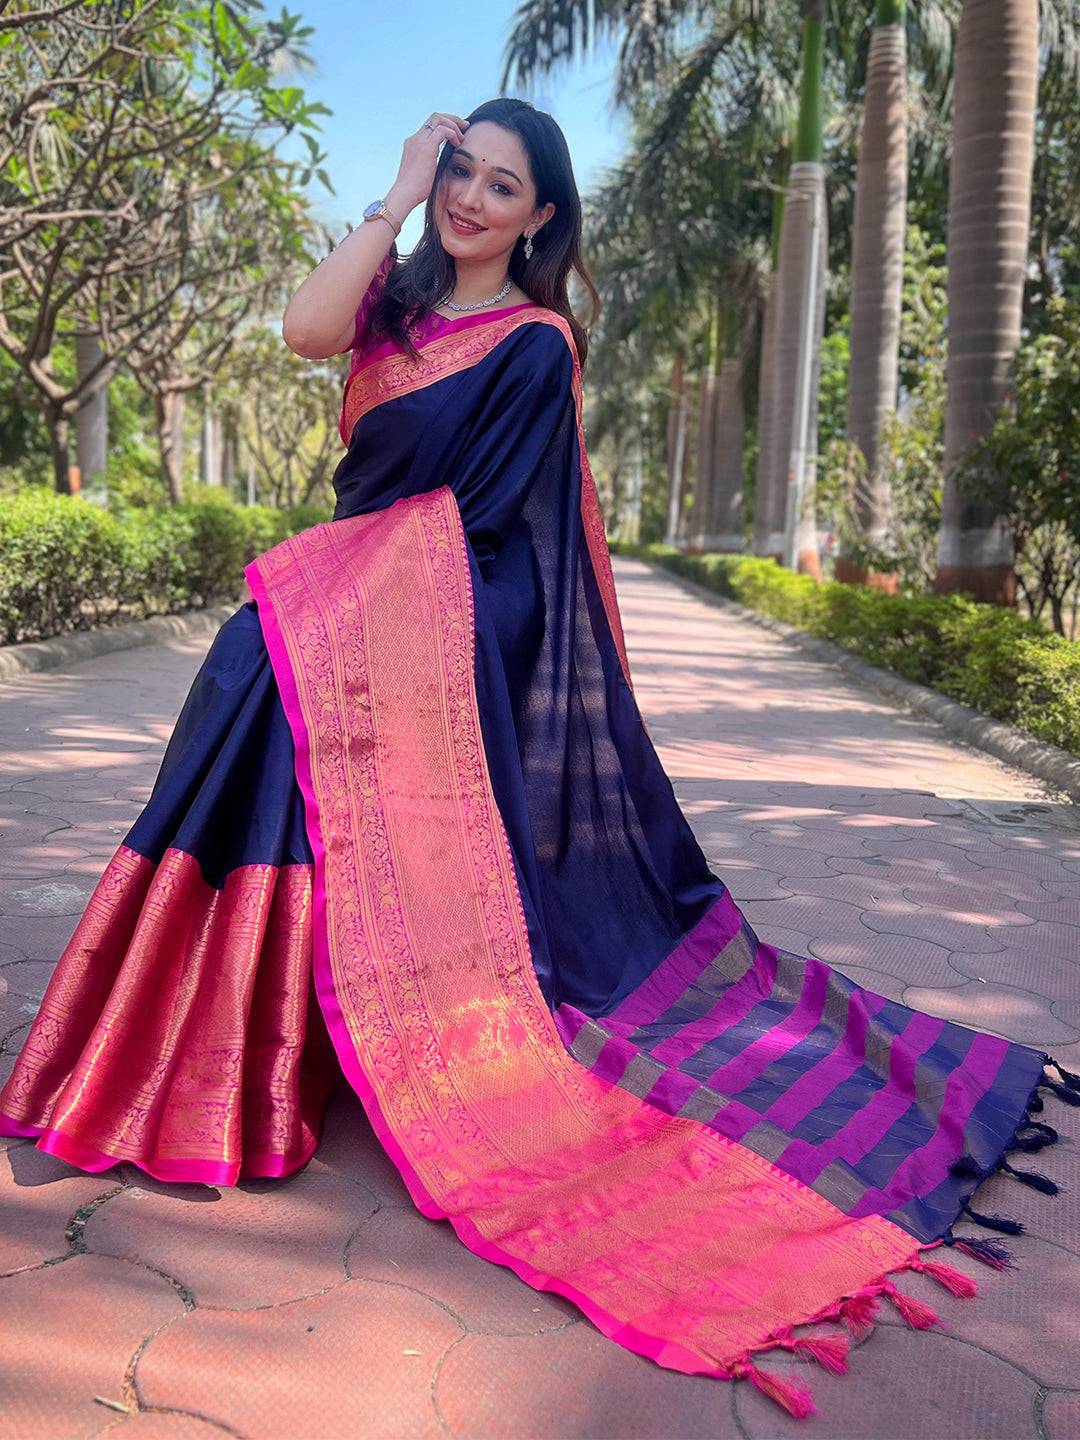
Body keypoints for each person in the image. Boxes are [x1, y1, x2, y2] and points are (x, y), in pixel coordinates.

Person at [1, 97, 1073, 1417]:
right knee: (258, 662)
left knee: (270, 663)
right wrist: (393, 190)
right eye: (461, 170)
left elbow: (498, 532)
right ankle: (232, 1038)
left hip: (453, 609)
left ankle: (274, 1046)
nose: (470, 199)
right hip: (361, 595)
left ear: (540, 218)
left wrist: (360, 600)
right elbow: (302, 328)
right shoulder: (391, 314)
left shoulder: (532, 344)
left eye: (500, 187)